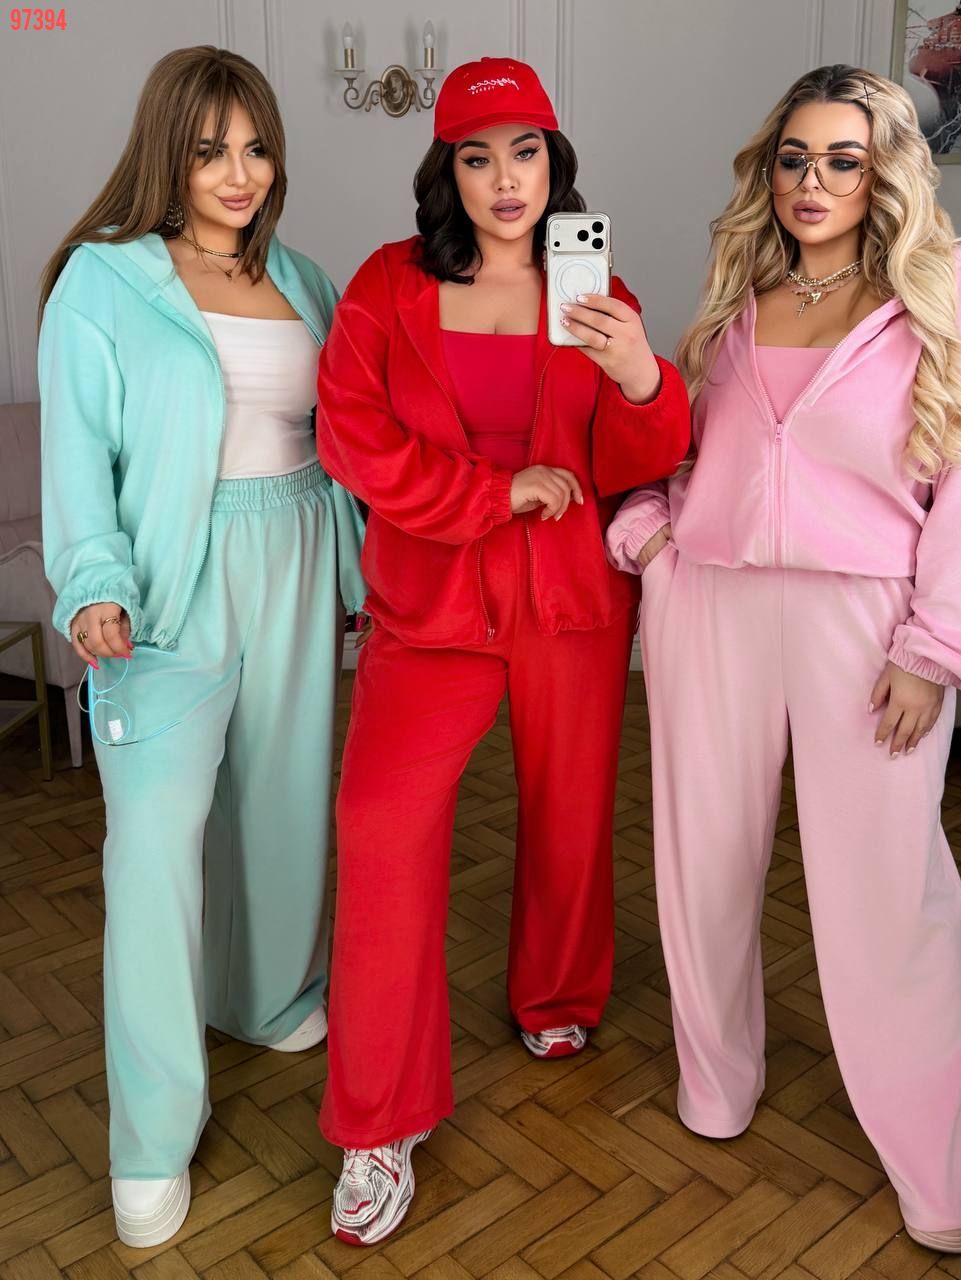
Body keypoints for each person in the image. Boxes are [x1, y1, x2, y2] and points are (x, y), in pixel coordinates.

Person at [607, 64, 961, 1254]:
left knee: (890, 895)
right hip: (713, 604)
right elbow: (701, 444)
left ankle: (943, 1177)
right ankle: (716, 1084)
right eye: (795, 158)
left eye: (844, 159)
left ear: (887, 172)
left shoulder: (953, 300)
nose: (813, 182)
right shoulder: (743, 289)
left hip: (868, 625)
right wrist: (655, 529)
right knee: (702, 863)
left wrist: (936, 650)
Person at [315, 56, 689, 1245]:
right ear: (448, 172)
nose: (505, 178)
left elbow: (641, 453)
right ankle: (379, 1117)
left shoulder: (594, 282)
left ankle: (558, 992)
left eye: (525, 151)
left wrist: (640, 374)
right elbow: (351, 437)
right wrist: (492, 491)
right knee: (380, 828)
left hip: (570, 600)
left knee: (571, 809)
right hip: (430, 607)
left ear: (553, 160)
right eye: (477, 157)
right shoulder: (388, 284)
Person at [38, 45, 365, 1248]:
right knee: (152, 854)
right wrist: (94, 579)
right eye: (211, 148)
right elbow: (81, 451)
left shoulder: (307, 279)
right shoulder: (103, 280)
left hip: (295, 562)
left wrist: (365, 565)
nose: (239, 172)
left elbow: (343, 436)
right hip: (166, 586)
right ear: (165, 152)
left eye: (257, 146)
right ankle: (151, 1133)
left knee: (281, 804)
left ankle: (266, 994)